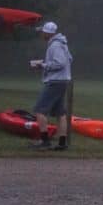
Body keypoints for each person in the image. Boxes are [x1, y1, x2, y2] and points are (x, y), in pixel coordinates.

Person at [30, 21, 72, 151]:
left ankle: (45, 140)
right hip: (62, 81)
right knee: (60, 113)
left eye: (43, 32)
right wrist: (45, 63)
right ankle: (62, 142)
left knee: (39, 110)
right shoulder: (62, 44)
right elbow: (70, 59)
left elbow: (60, 63)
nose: (41, 34)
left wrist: (42, 65)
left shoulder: (55, 45)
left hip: (55, 81)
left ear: (48, 33)